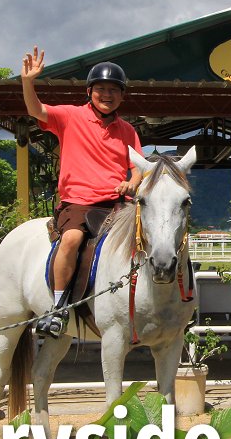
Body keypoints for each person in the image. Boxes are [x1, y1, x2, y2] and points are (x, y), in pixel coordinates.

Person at [22, 46, 143, 338]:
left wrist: (132, 183)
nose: (107, 94)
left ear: (123, 95)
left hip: (116, 203)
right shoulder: (69, 116)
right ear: (89, 91)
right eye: (100, 88)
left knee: (146, 239)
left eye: (114, 90)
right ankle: (58, 308)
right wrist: (28, 81)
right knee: (73, 239)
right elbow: (35, 110)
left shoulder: (127, 130)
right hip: (77, 202)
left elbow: (139, 167)